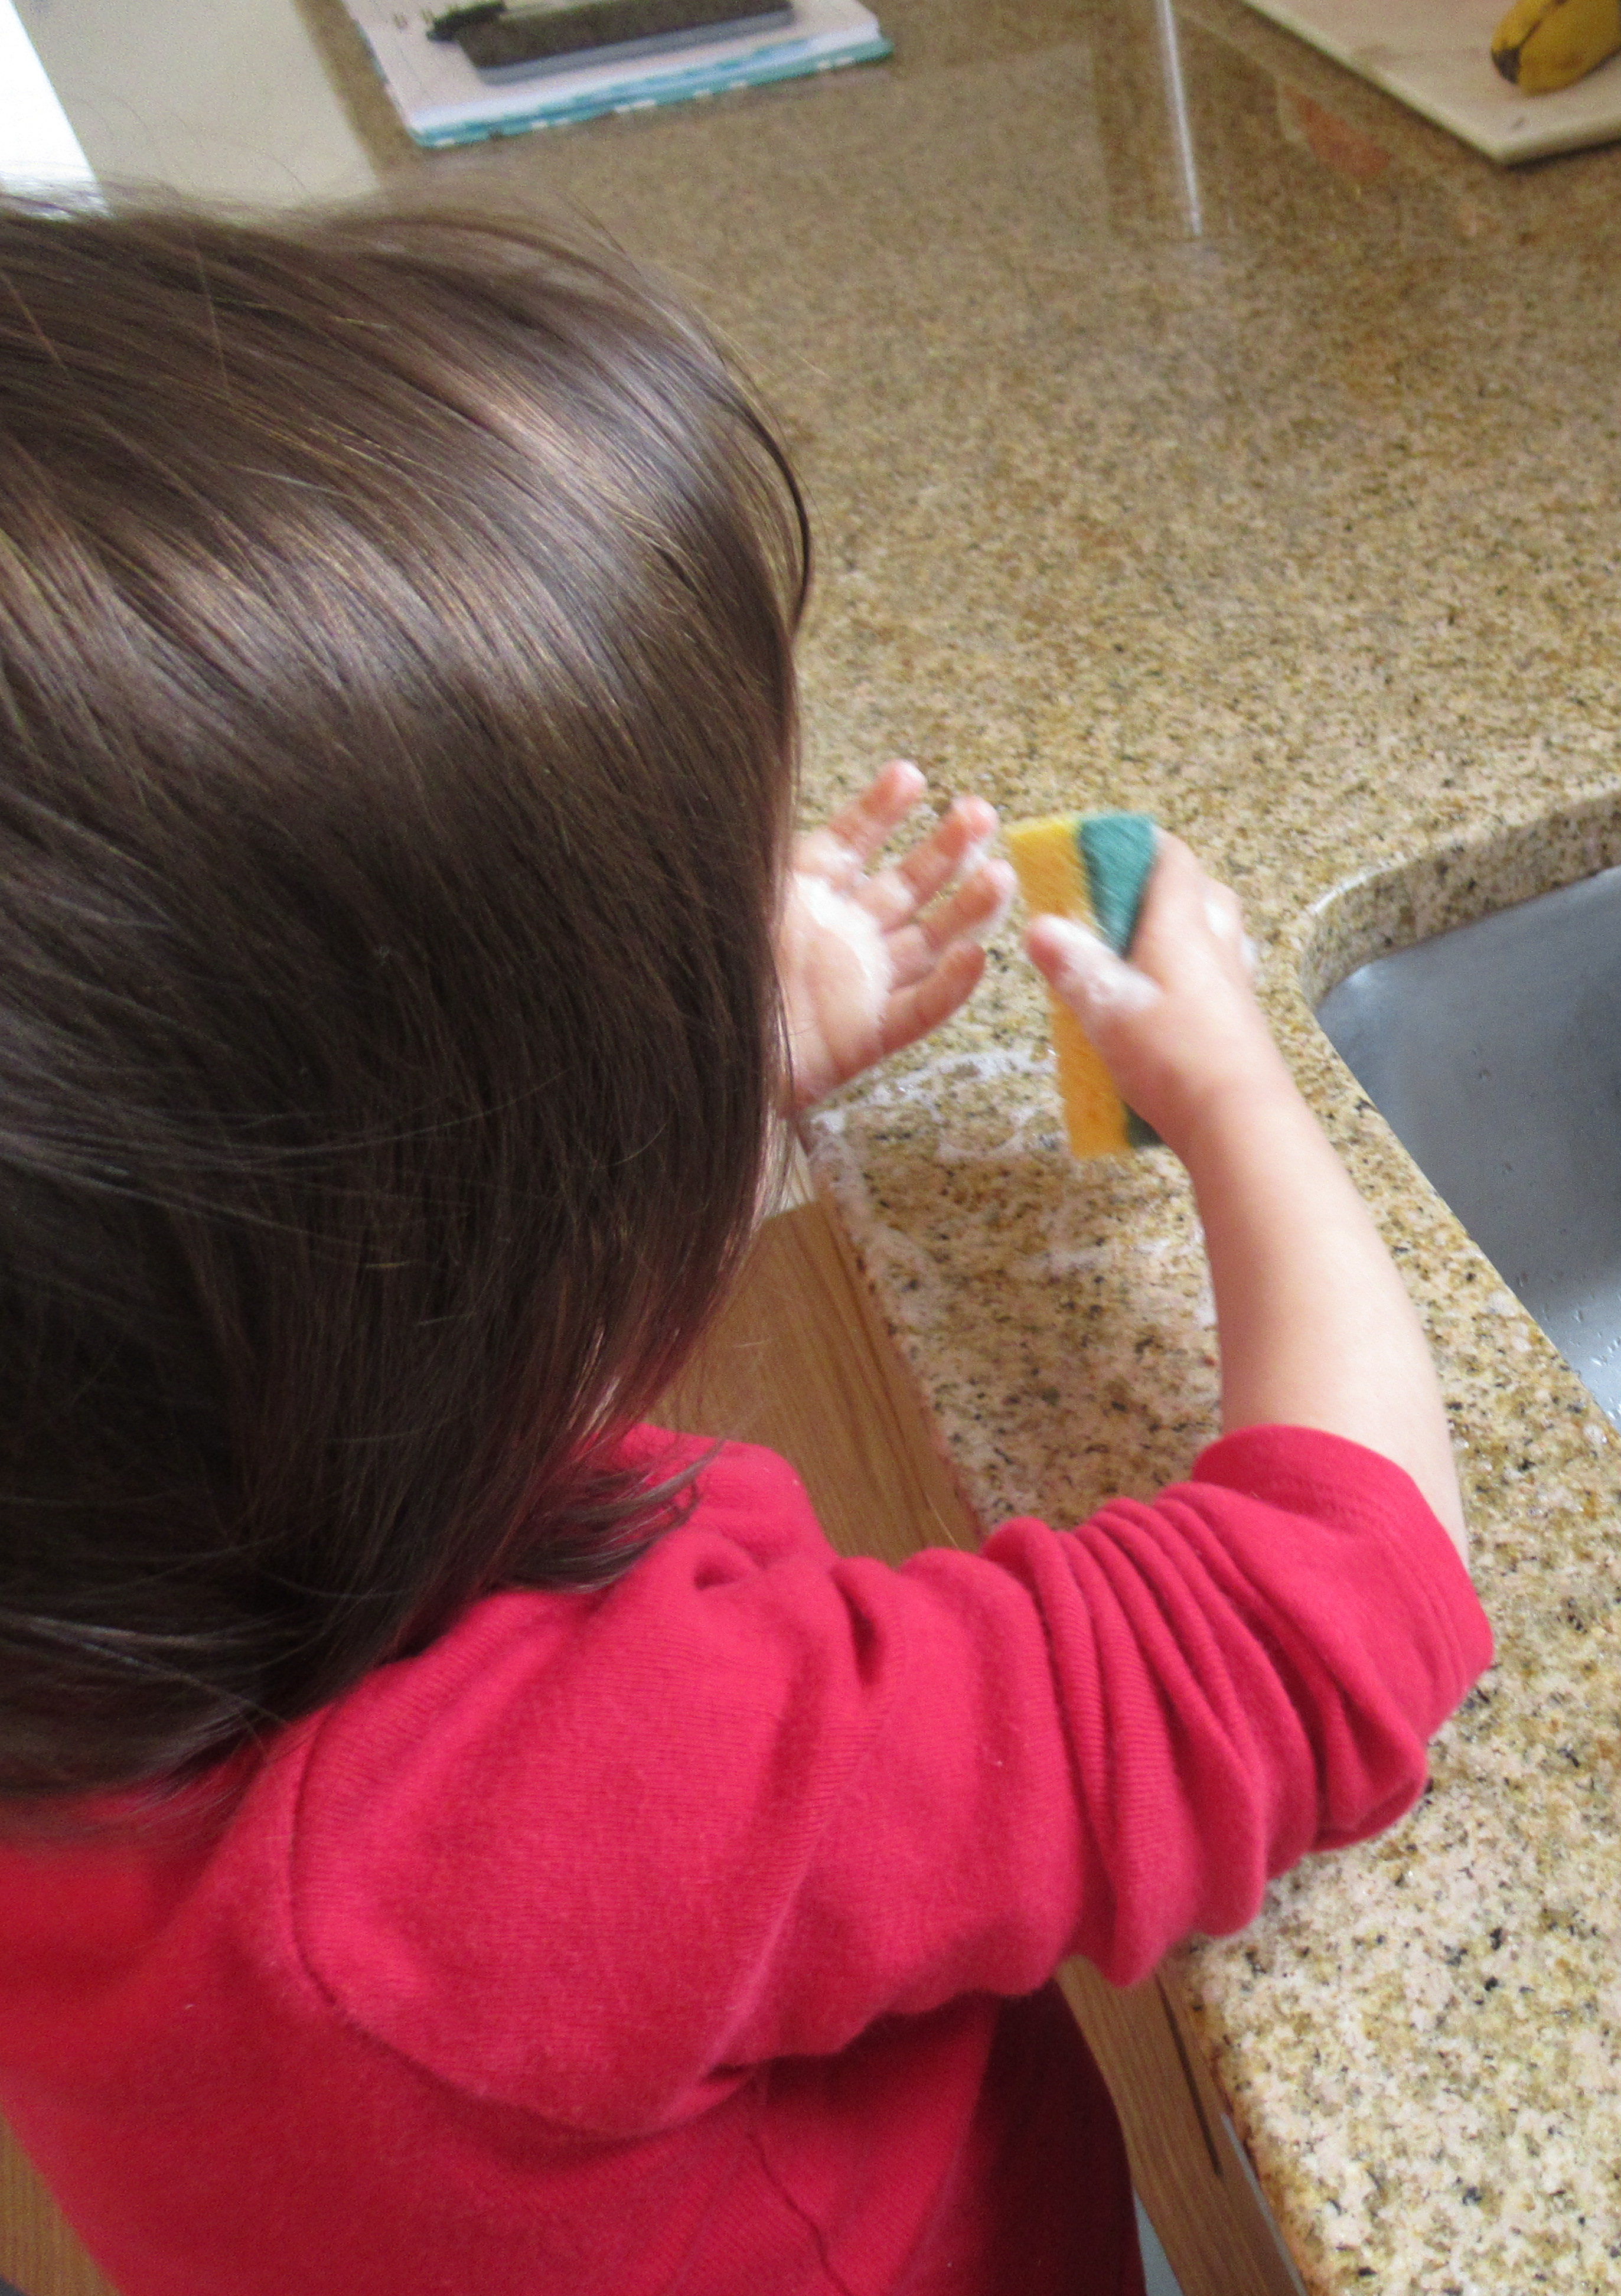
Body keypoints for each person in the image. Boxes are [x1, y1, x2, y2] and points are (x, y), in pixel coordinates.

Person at [0, 199, 1489, 2296]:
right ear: (451, 1255)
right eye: (670, 981)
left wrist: (720, 1059)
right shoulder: (534, 1827)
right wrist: (1240, 1092)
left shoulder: (98, 1580)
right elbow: (1331, 1626)